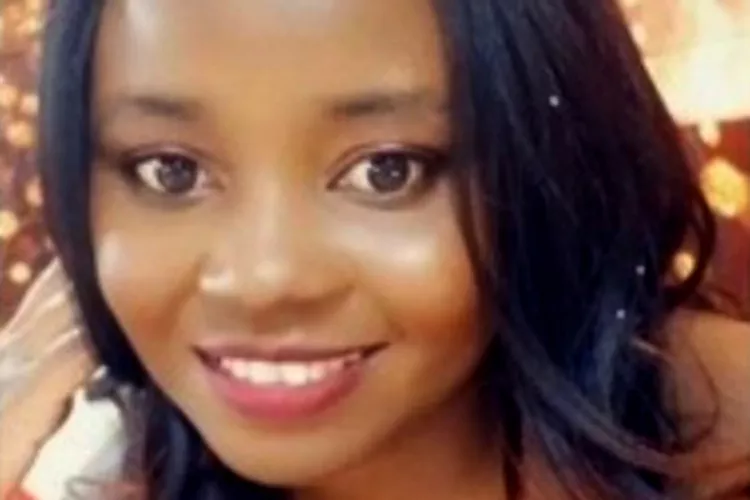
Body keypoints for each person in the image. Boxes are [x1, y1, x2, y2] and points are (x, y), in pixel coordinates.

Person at [1, 0, 749, 498]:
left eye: (387, 170)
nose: (263, 278)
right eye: (171, 171)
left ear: (552, 162)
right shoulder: (88, 466)